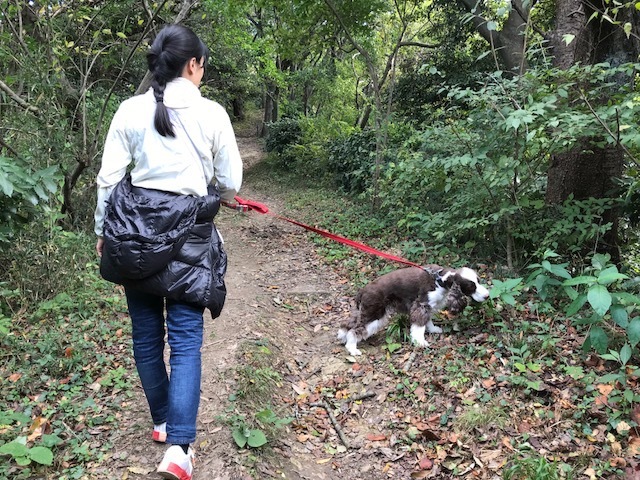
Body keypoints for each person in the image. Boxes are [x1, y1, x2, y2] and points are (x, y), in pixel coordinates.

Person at [94, 24, 243, 480]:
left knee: (144, 337)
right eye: (203, 65)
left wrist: (103, 231)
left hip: (135, 237)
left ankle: (162, 422)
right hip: (189, 243)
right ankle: (179, 448)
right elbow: (231, 182)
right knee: (185, 343)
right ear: (193, 64)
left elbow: (107, 180)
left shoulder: (128, 110)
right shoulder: (213, 114)